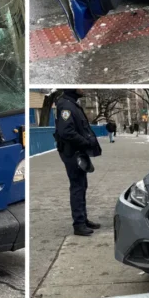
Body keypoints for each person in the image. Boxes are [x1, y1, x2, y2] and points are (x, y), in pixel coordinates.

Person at [54, 89, 102, 236]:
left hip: (76, 151)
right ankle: (79, 224)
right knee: (77, 187)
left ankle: (83, 219)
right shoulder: (66, 106)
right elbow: (66, 131)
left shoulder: (72, 104)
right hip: (72, 152)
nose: (84, 88)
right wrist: (85, 142)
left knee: (82, 185)